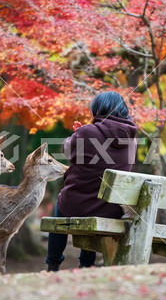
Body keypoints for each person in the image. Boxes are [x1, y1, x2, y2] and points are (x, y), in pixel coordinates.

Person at [45, 91, 138, 271]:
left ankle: (53, 263)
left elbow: (66, 149)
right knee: (92, 200)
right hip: (111, 208)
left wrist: (78, 134)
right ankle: (87, 264)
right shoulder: (132, 139)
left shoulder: (88, 131)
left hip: (78, 205)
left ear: (98, 110)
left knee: (62, 203)